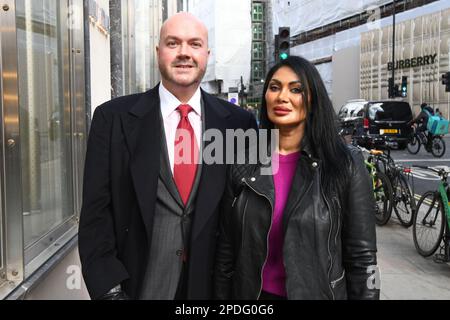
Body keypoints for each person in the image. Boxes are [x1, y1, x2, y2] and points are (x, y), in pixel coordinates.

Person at [78, 12, 257, 300]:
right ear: (158, 51)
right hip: (139, 287)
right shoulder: (111, 119)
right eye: (173, 43)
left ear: (207, 54)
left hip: (214, 289)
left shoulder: (240, 123)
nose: (184, 53)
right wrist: (110, 291)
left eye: (194, 44)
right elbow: (95, 216)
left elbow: (256, 213)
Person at [214, 56, 380, 300]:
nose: (282, 97)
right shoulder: (242, 162)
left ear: (312, 99)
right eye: (274, 87)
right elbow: (226, 253)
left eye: (296, 89)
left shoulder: (345, 164)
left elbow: (363, 259)